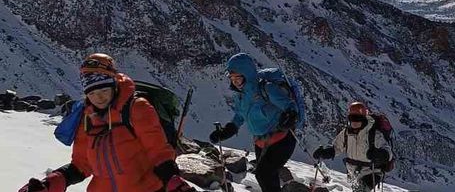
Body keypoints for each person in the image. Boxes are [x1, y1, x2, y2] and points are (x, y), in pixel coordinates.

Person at [18, 53, 194, 192]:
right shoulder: (88, 118)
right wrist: (52, 182)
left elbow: (159, 153)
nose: (98, 98)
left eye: (103, 90)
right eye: (92, 93)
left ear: (114, 85)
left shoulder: (137, 108)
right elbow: (82, 164)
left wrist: (173, 181)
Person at [209, 53, 298, 192]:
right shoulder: (241, 97)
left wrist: (290, 117)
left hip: (282, 139)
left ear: (247, 74)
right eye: (232, 79)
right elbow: (239, 116)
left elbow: (289, 106)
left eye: (237, 79)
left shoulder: (266, 89)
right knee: (267, 177)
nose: (234, 83)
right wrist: (226, 131)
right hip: (261, 142)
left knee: (264, 175)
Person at [312, 102, 392, 192]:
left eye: (357, 119)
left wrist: (381, 155)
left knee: (360, 190)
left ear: (363, 119)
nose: (354, 122)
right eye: (352, 118)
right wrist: (326, 152)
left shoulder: (373, 133)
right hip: (353, 173)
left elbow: (388, 152)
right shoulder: (346, 133)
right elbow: (337, 147)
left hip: (371, 172)